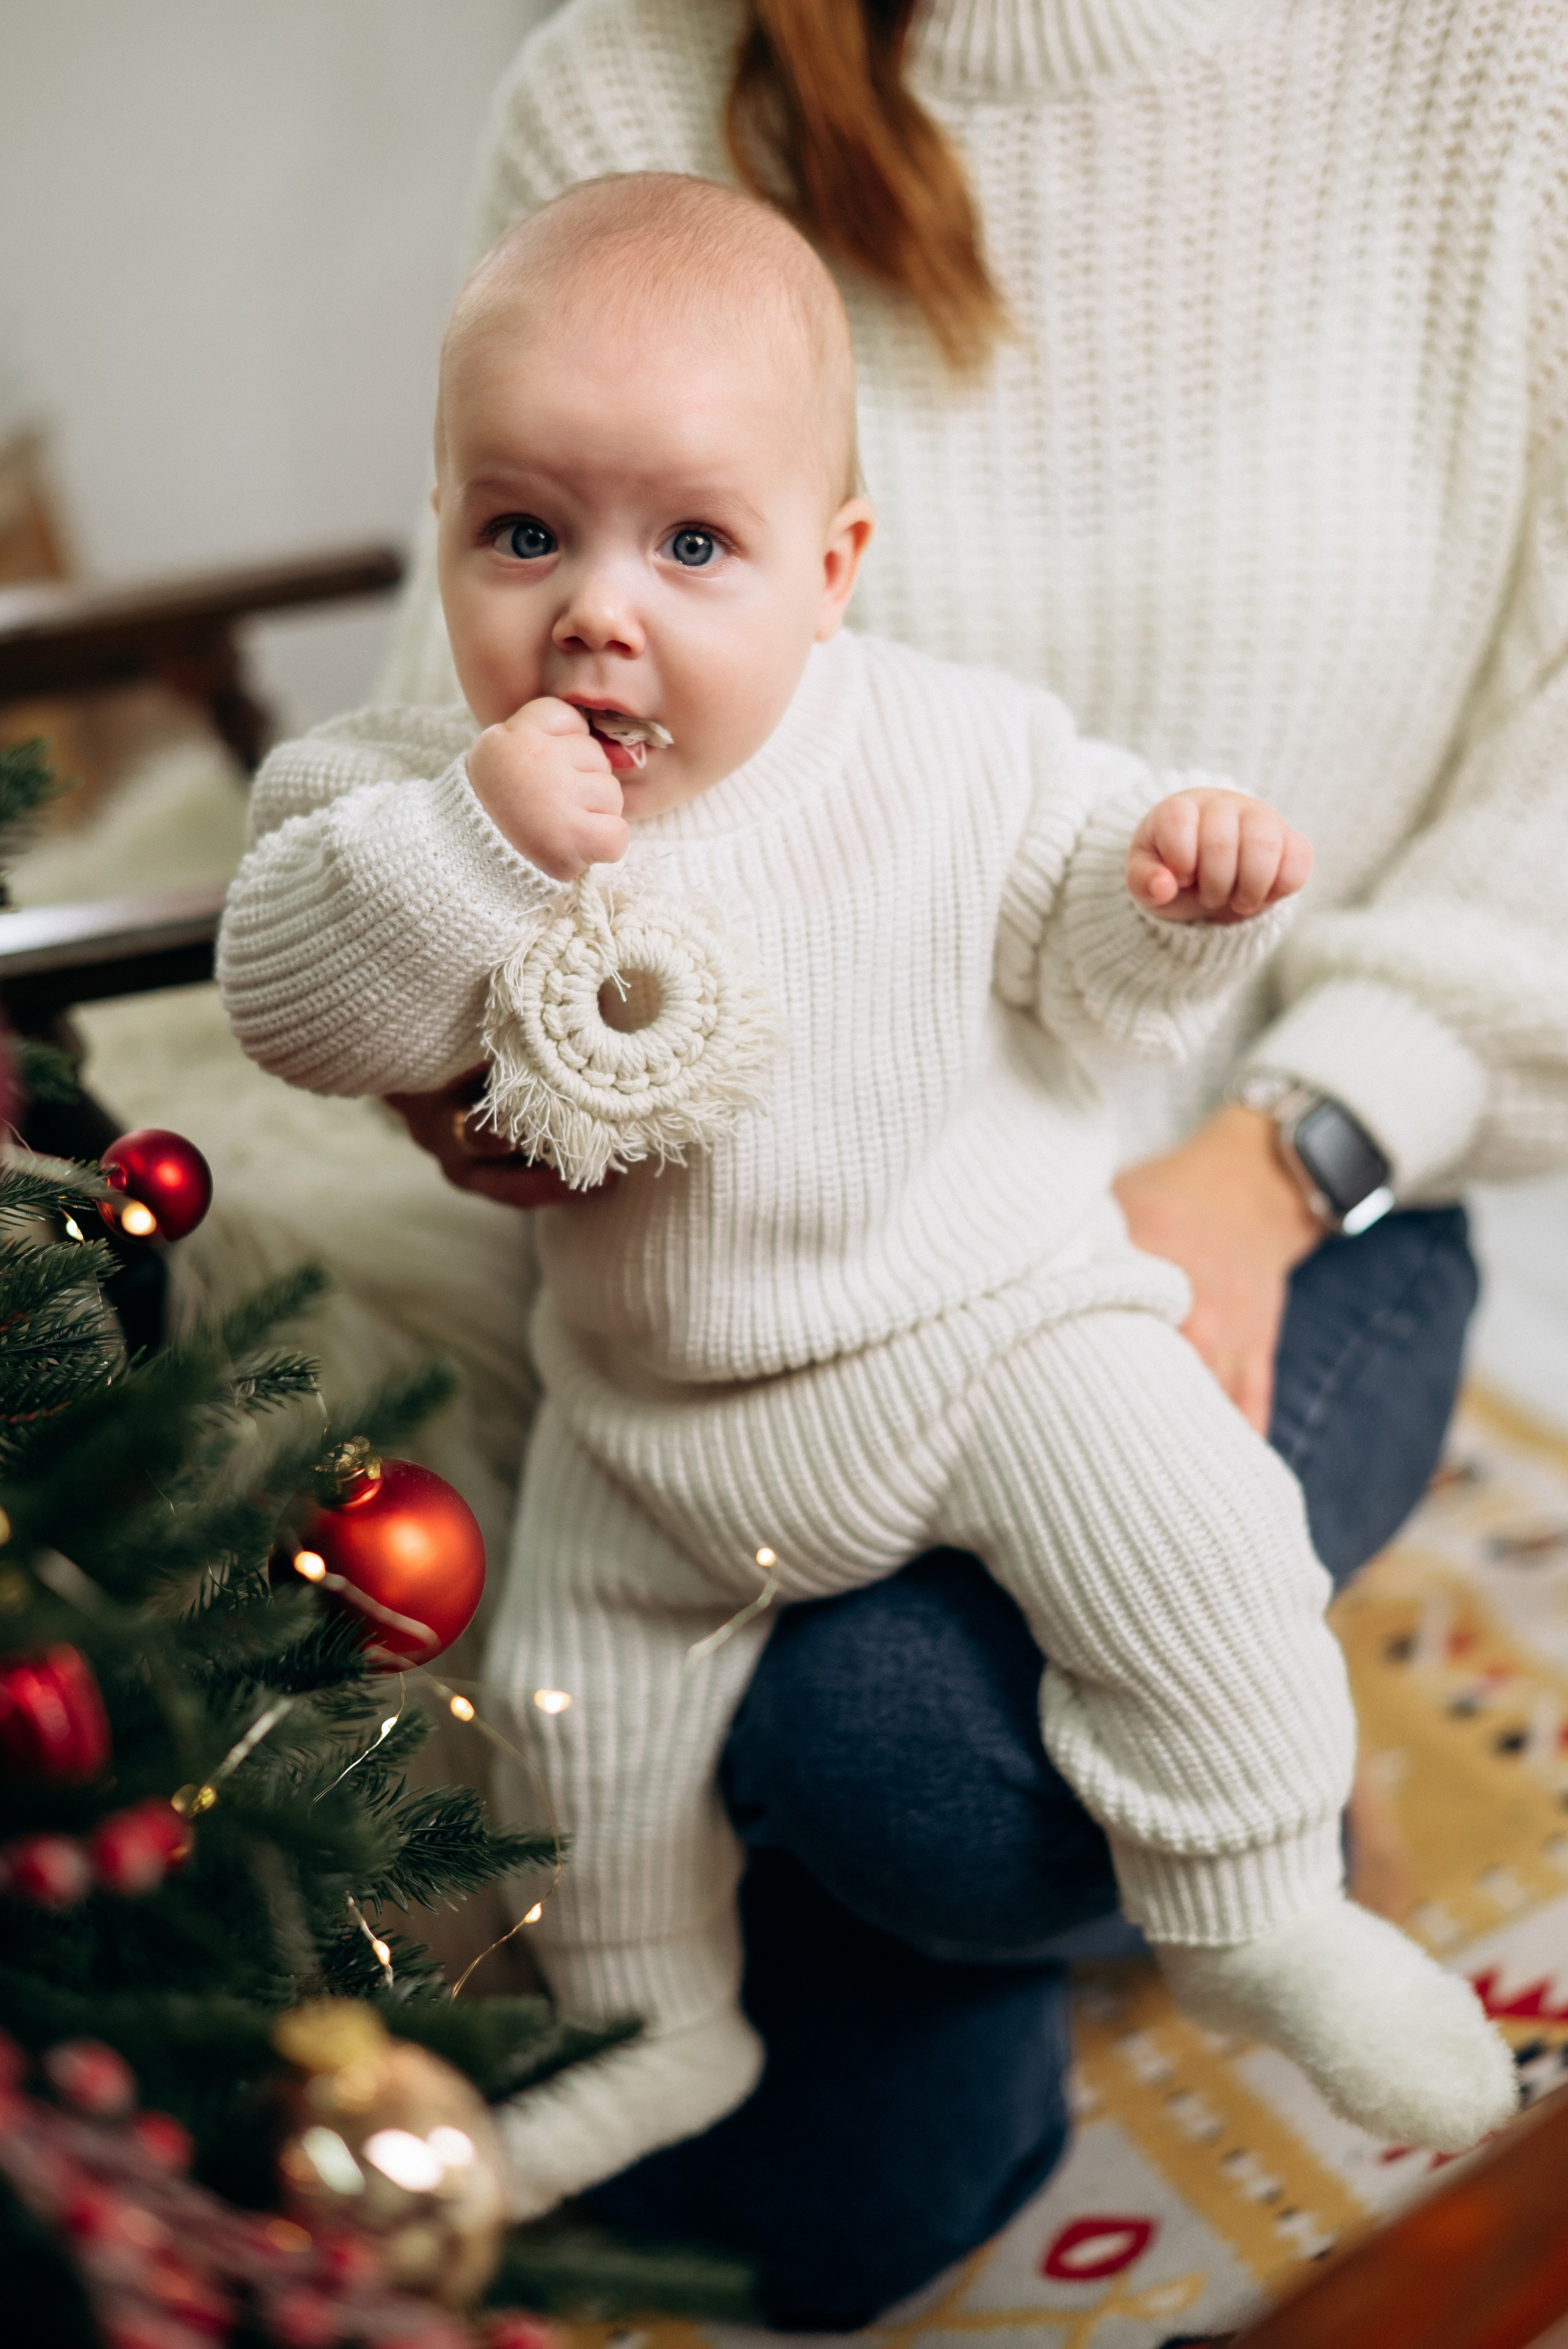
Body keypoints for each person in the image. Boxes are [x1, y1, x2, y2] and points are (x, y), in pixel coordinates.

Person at [367, 0, 1568, 2325]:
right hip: (743, 1264)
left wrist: (1289, 1152)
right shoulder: (631, 88)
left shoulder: (1498, 67)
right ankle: (1085, 1808)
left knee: (909, 1761)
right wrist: (454, 1011)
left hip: (1290, 1178)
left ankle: (1246, 1829)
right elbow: (463, 702)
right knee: (810, 2226)